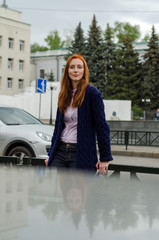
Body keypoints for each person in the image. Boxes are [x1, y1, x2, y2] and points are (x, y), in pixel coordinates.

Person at [45, 54, 113, 173]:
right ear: (67, 71)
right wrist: (51, 153)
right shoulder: (64, 94)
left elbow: (101, 126)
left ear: (84, 71)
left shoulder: (92, 93)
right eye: (72, 67)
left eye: (79, 67)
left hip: (80, 152)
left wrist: (105, 158)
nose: (75, 70)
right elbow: (58, 127)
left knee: (78, 190)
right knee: (59, 191)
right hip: (60, 152)